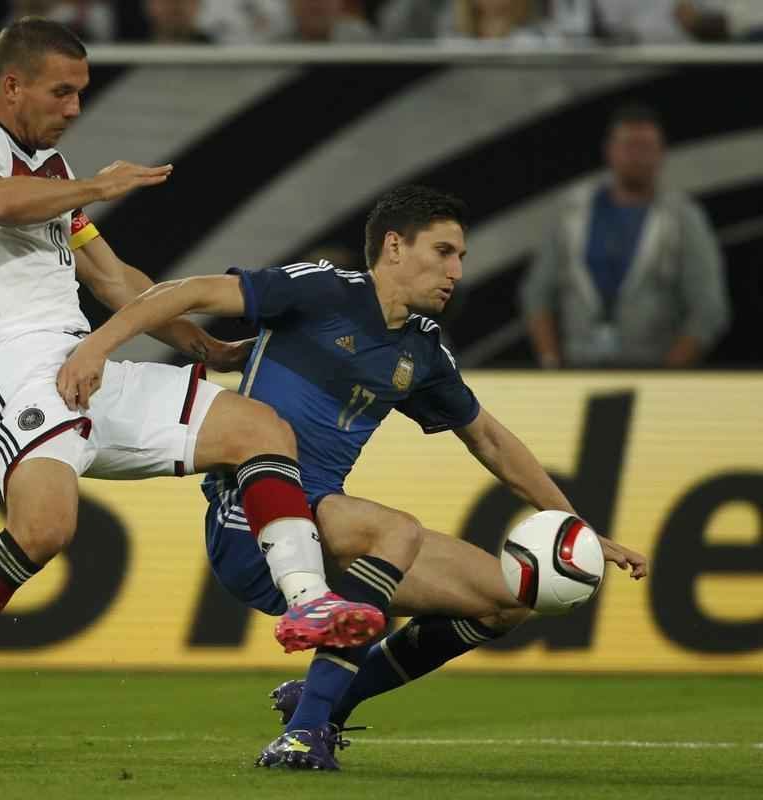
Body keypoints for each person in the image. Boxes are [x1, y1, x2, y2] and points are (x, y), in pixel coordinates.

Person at [0, 17, 383, 769]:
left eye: (82, 92)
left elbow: (114, 281)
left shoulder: (50, 173)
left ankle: (307, 600)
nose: (75, 107)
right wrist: (98, 184)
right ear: (12, 84)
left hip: (86, 358)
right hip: (15, 366)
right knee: (44, 531)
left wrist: (199, 344)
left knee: (258, 428)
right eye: (62, 91)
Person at [57, 185, 650, 770]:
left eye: (461, 256)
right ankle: (302, 736)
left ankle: (327, 702)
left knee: (511, 600)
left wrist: (578, 524)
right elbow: (185, 292)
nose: (457, 270)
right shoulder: (320, 289)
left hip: (326, 526)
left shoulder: (423, 353)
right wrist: (96, 348)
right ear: (394, 246)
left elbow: (491, 439)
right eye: (444, 252)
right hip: (249, 524)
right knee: (396, 531)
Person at [521, 102, 731, 369]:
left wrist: (669, 376)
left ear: (661, 154)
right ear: (609, 151)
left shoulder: (683, 218)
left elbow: (709, 309)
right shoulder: (572, 212)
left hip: (652, 369)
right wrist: (550, 363)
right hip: (577, 369)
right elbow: (537, 293)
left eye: (646, 148)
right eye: (629, 146)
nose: (637, 156)